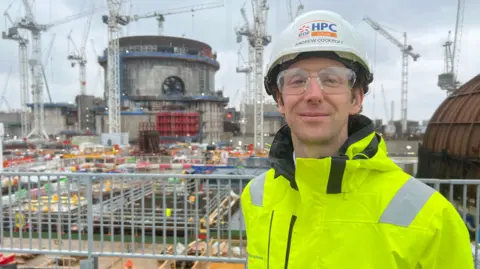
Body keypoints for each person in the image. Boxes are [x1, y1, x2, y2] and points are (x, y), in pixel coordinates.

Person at [240, 10, 473, 269]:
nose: (314, 94)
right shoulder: (257, 196)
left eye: (331, 79)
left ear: (356, 99)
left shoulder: (431, 218)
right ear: (280, 100)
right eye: (297, 80)